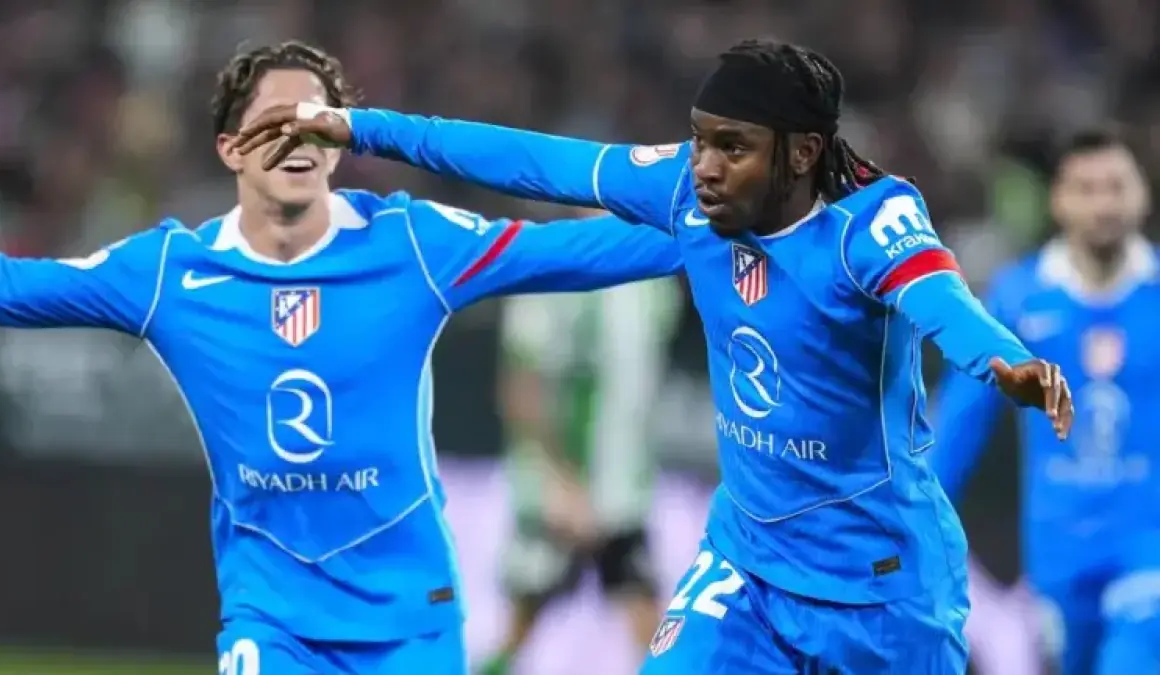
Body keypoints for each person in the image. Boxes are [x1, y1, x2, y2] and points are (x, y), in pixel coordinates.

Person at [232, 38, 1074, 673]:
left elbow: (942, 301)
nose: (704, 167)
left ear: (802, 153)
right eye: (700, 141)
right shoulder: (685, 193)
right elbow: (529, 159)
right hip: (749, 565)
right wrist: (361, 128)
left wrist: (1003, 361)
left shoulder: (871, 222)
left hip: (881, 584)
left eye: (732, 147)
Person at [0, 41, 683, 675]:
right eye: (276, 120)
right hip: (271, 619)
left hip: (410, 619)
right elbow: (6, 286)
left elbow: (580, 250)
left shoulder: (411, 244)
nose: (298, 136)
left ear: (338, 145)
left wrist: (716, 222)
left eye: (316, 120)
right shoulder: (170, 273)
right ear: (230, 148)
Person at [931, 129, 1160, 674]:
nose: (1103, 204)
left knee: (1131, 655)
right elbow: (960, 422)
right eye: (1087, 189)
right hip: (1058, 552)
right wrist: (913, 514)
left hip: (1147, 544)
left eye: (1116, 187)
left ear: (1142, 195)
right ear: (1058, 200)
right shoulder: (1019, 297)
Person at [483, 213, 682, 674]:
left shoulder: (655, 282)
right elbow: (522, 386)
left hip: (622, 495)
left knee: (652, 627)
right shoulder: (552, 278)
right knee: (519, 628)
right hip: (561, 494)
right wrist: (560, 481)